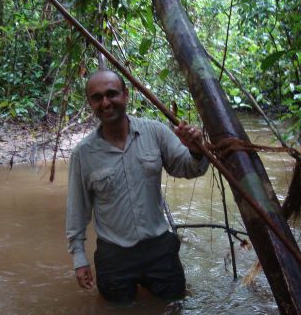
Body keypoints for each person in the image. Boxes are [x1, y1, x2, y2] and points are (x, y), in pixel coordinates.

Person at [66, 69, 209, 302]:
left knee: (175, 312)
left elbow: (188, 168)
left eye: (112, 94)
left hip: (159, 249)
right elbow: (77, 211)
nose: (105, 102)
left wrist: (195, 148)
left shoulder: (156, 132)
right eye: (97, 97)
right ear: (90, 103)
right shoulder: (83, 154)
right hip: (114, 255)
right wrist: (79, 259)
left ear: (126, 95)